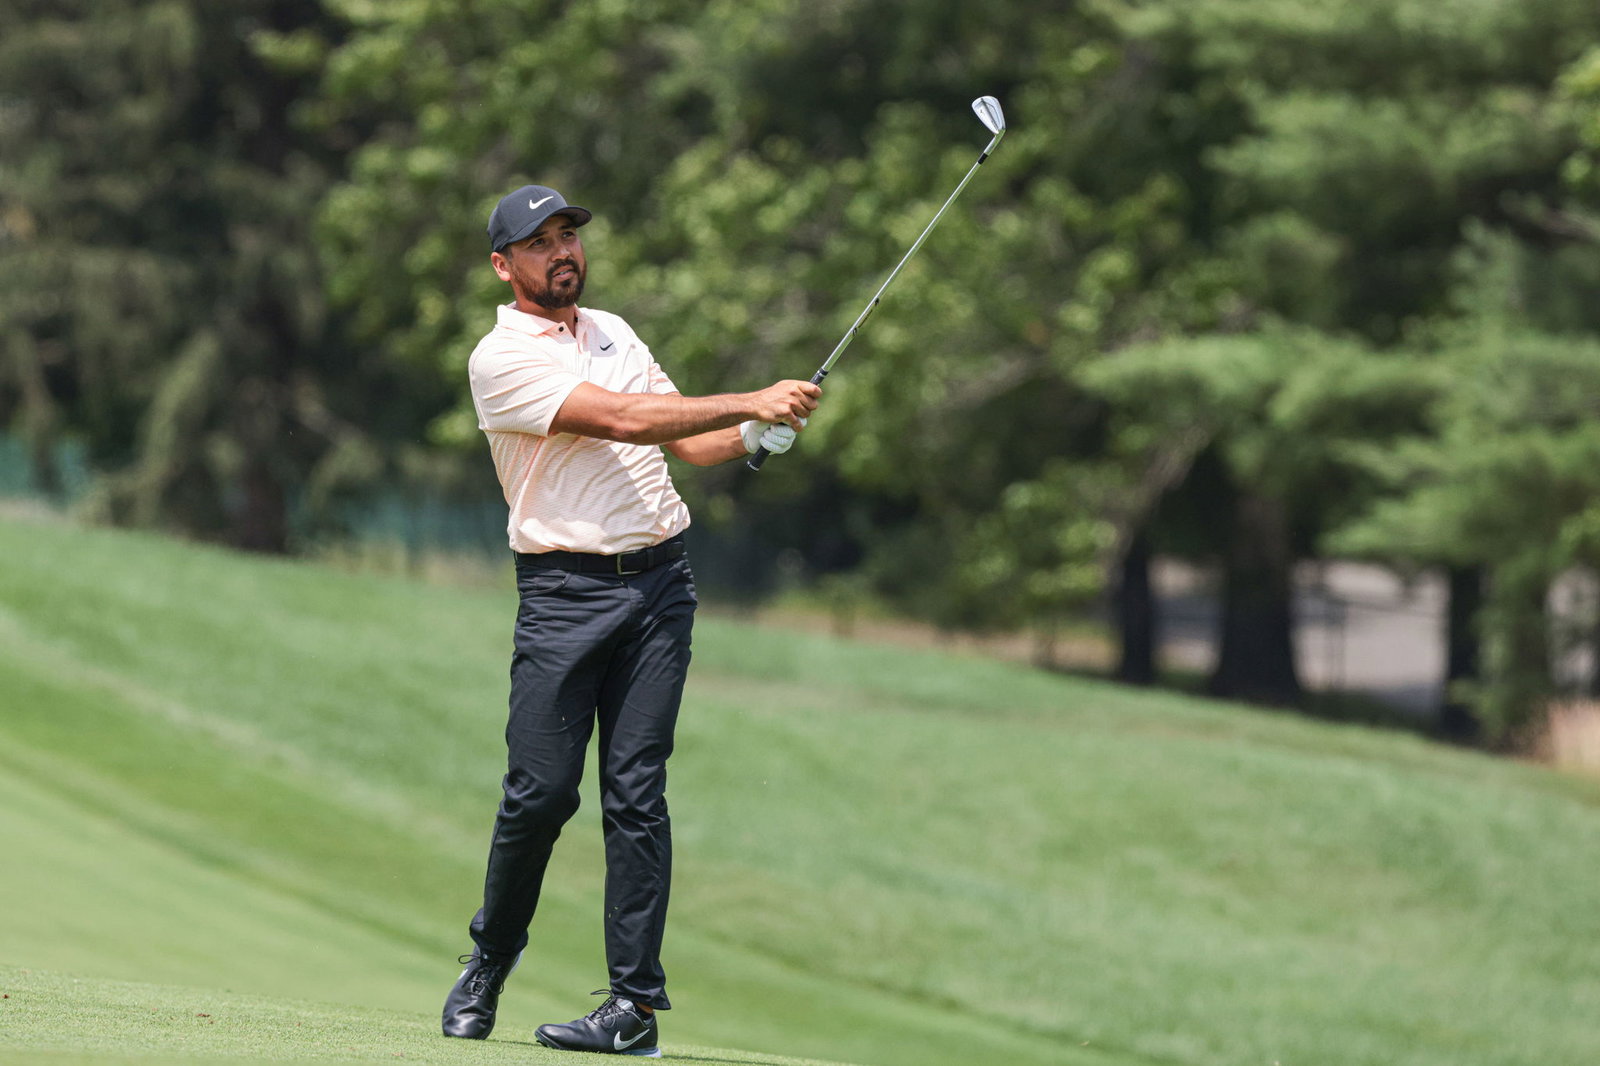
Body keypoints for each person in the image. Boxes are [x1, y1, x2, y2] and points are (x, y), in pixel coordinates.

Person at [440, 184, 820, 1058]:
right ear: (505, 266)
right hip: (563, 595)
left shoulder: (614, 331)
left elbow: (685, 442)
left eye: (569, 234)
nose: (563, 250)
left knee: (637, 794)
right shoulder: (499, 359)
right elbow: (619, 419)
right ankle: (492, 957)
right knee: (539, 795)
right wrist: (748, 399)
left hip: (660, 591)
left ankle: (633, 1010)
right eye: (541, 242)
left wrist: (760, 435)